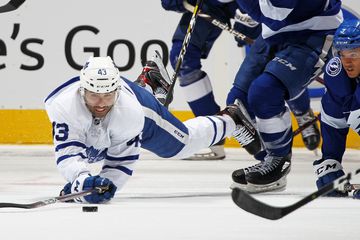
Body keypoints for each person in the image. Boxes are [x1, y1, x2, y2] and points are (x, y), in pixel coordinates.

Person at [44, 55, 261, 204]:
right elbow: (69, 156)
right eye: (94, 95)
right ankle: (149, 82)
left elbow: (120, 163)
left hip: (140, 107)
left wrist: (93, 188)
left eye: (108, 95)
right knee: (93, 148)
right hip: (117, 112)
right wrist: (83, 184)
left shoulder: (132, 114)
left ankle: (231, 120)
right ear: (82, 91)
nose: (101, 103)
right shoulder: (64, 107)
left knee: (181, 145)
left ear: (117, 92)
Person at [226, 0, 343, 193]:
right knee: (238, 103)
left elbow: (276, 14)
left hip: (316, 32)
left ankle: (277, 162)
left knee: (264, 92)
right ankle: (270, 161)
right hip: (275, 34)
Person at [161, 0, 261, 160]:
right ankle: (215, 136)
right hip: (211, 4)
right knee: (183, 57)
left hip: (252, 4)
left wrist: (248, 23)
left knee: (270, 54)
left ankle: (301, 113)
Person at [313, 19, 360, 198]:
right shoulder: (337, 73)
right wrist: (330, 161)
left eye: (354, 54)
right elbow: (333, 120)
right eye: (343, 54)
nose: (347, 62)